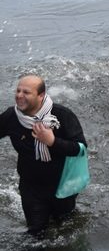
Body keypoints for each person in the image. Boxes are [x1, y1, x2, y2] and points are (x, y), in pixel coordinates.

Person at [0, 75, 87, 234]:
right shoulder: (12, 116)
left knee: (66, 230)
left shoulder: (62, 115)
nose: (19, 95)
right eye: (18, 91)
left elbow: (80, 149)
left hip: (63, 186)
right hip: (31, 188)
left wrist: (52, 141)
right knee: (36, 234)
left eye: (26, 92)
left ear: (41, 95)